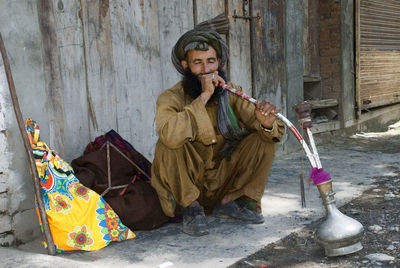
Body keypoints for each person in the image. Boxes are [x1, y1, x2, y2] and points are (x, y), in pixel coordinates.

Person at [151, 28, 285, 236]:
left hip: (222, 179)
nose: (206, 69)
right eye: (198, 63)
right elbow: (169, 134)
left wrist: (266, 123)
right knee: (168, 143)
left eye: (211, 61)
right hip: (189, 182)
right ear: (185, 66)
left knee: (263, 138)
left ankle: (232, 201)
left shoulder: (231, 91)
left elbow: (263, 125)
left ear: (220, 63)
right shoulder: (171, 98)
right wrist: (203, 96)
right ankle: (192, 208)